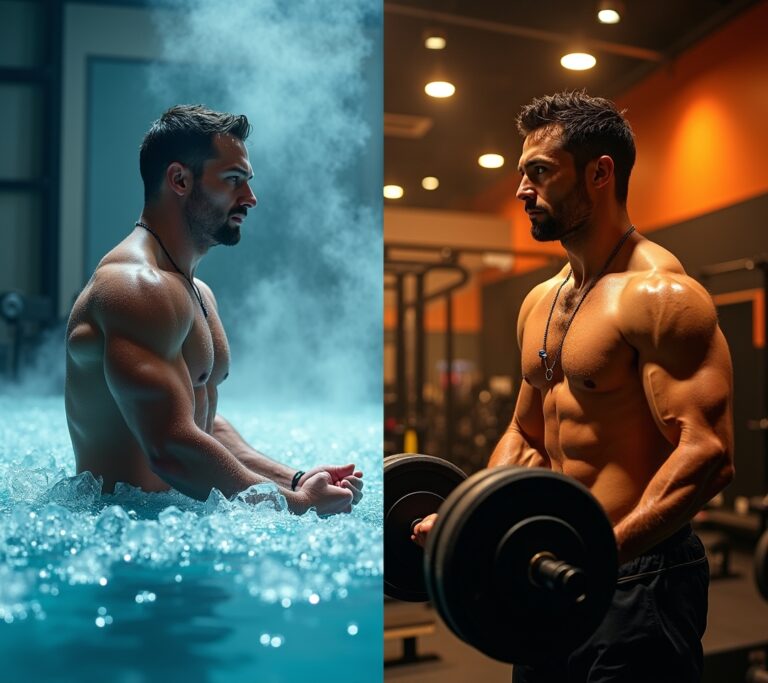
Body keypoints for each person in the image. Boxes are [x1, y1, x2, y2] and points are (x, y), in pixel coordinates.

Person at [413, 91, 734, 681]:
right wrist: (469, 517)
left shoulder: (661, 296)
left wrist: (599, 554)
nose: (520, 190)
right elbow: (524, 432)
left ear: (600, 173)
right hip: (551, 568)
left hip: (640, 575)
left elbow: (707, 453)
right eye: (520, 173)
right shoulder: (541, 300)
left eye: (539, 172)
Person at [65, 105, 362, 516]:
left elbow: (201, 424)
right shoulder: (136, 286)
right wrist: (298, 507)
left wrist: (293, 481)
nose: (250, 198)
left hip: (169, 526)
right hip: (120, 534)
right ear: (180, 180)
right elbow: (171, 448)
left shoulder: (195, 292)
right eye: (233, 180)